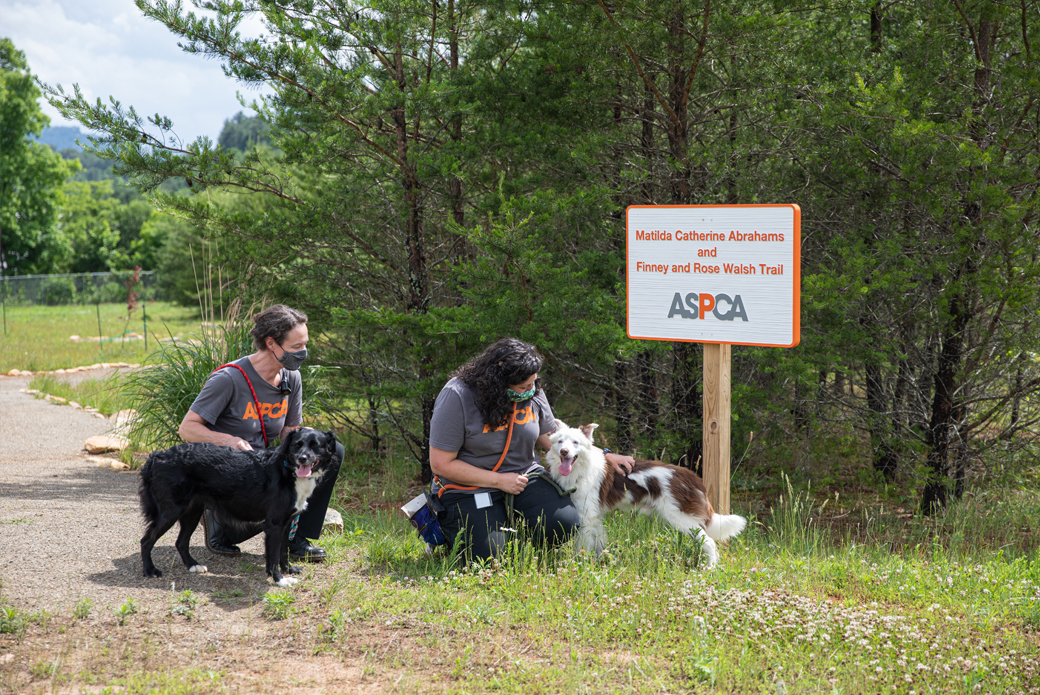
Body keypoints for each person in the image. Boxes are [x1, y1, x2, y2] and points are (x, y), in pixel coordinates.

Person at [429, 338, 633, 562]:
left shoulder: (532, 390)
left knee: (565, 521)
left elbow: (553, 439)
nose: (530, 391)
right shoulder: (457, 395)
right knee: (488, 557)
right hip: (469, 487)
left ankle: (517, 539)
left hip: (524, 477)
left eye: (533, 384)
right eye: (523, 387)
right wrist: (498, 480)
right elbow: (441, 463)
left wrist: (602, 454)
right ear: (498, 381)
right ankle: (452, 536)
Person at [178, 304, 344, 562]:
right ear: (271, 343)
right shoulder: (229, 379)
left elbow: (288, 434)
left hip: (263, 470)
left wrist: (305, 437)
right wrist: (228, 441)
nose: (303, 352)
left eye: (305, 344)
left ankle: (296, 538)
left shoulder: (292, 377)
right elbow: (187, 428)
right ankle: (216, 520)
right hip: (232, 479)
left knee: (334, 451)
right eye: (297, 346)